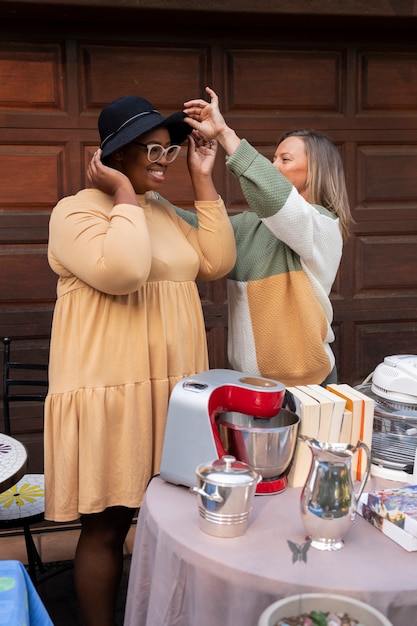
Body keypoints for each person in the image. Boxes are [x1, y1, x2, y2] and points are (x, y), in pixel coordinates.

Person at [44, 95, 236, 626]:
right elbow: (125, 271)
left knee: (172, 518)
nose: (162, 159)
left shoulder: (162, 211)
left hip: (172, 392)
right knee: (106, 525)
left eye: (168, 149)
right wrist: (123, 193)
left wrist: (201, 177)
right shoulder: (75, 212)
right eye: (150, 149)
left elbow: (216, 261)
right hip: (113, 391)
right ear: (113, 156)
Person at [181, 86, 353, 387]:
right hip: (248, 384)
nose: (273, 166)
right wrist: (145, 196)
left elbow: (275, 196)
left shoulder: (323, 226)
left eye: (284, 160)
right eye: (273, 159)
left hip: (308, 388)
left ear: (316, 171)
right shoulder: (250, 226)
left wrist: (223, 133)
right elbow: (196, 230)